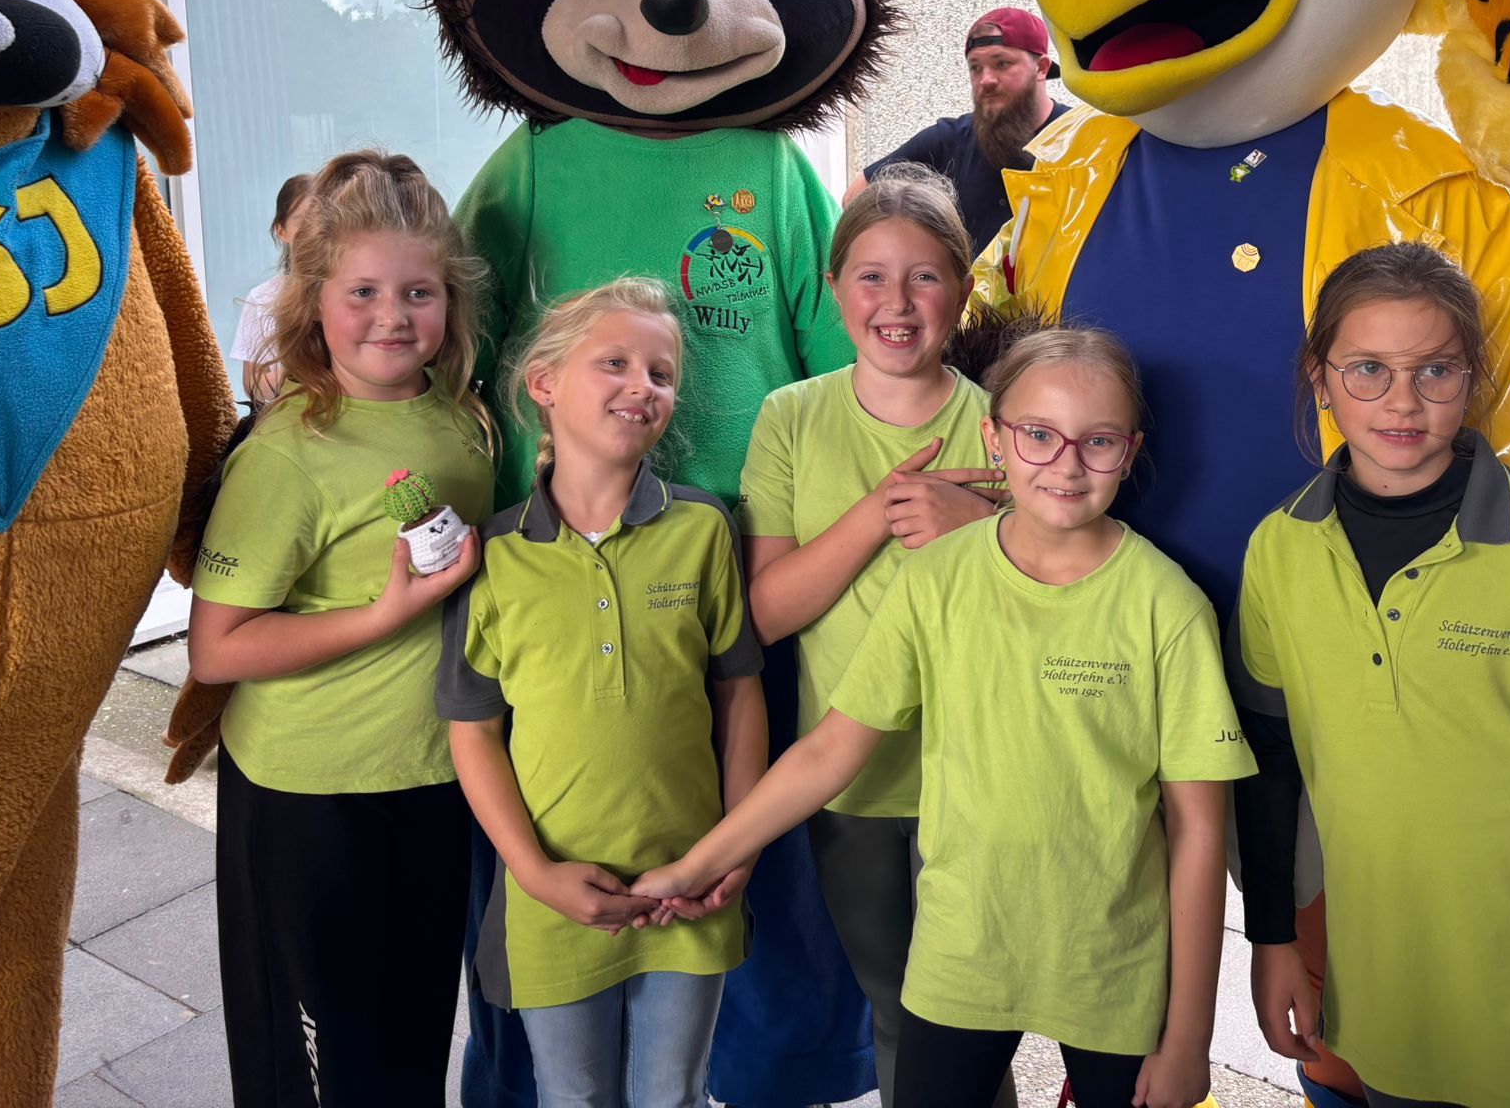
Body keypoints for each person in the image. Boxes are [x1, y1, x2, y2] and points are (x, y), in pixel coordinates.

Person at [639, 326, 1257, 1108]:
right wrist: (699, 864)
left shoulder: (1167, 606)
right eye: (1038, 435)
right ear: (994, 440)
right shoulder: (935, 580)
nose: (1066, 464)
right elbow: (830, 750)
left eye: (1097, 442)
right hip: (961, 955)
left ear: (1129, 453)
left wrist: (1189, 1038)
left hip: (1112, 967)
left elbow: (1198, 831)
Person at [1230, 243, 1510, 1108]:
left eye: (1435, 370)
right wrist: (1271, 938)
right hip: (1377, 1000)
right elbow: (1270, 765)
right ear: (1320, 379)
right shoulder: (1279, 549)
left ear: (1473, 378)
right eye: (1368, 370)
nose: (1402, 401)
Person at [186, 150, 495, 1106]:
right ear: (313, 300)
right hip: (310, 794)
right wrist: (383, 615)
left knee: (410, 1049)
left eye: (418, 292)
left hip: (437, 777)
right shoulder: (288, 452)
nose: (392, 317)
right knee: (322, 1073)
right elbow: (216, 649)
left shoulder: (463, 418)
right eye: (362, 292)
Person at [439, 277, 767, 1108]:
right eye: (614, 363)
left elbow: (740, 698)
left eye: (661, 373)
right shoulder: (495, 558)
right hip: (552, 898)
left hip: (691, 887)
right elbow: (473, 732)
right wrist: (536, 874)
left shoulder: (703, 529)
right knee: (571, 1098)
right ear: (544, 383)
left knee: (674, 1095)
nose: (642, 386)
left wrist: (737, 849)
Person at [737, 164, 1007, 1105]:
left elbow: (1066, 587)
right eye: (871, 276)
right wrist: (883, 510)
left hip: (981, 778)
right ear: (833, 289)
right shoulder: (791, 418)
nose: (897, 302)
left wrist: (984, 525)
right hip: (845, 783)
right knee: (896, 1013)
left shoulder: (1005, 423)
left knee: (972, 1021)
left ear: (962, 291)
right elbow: (767, 612)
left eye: (924, 277)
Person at [849, 8, 1067, 255]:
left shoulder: (1079, 137)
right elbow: (856, 195)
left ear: (1041, 68)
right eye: (976, 68)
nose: (986, 79)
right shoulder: (950, 139)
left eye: (1002, 63)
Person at [231, 172, 312, 404]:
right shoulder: (262, 298)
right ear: (281, 231)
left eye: (322, 219)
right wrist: (308, 371)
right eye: (303, 220)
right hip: (291, 417)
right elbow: (253, 385)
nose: (314, 229)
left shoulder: (356, 290)